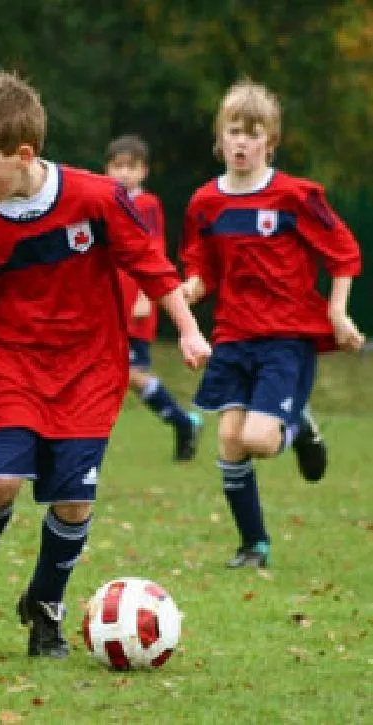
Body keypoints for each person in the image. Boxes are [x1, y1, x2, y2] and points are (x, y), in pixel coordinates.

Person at [0, 71, 210, 659]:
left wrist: (187, 328)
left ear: (22, 154)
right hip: (11, 366)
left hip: (90, 371)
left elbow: (152, 265)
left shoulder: (97, 199)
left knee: (73, 502)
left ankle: (45, 606)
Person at [180, 79, 364, 569]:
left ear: (270, 141)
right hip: (233, 335)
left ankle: (298, 426)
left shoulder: (295, 197)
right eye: (234, 131)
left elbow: (344, 254)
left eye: (253, 133)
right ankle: (254, 545)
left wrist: (337, 312)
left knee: (259, 440)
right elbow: (202, 266)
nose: (242, 142)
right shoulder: (205, 203)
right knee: (229, 441)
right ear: (220, 137)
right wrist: (190, 289)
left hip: (285, 337)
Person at [104, 134, 203, 461]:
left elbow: (154, 248)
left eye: (131, 167)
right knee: (114, 375)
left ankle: (183, 422)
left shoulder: (146, 205)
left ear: (144, 171)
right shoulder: (104, 201)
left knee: (132, 374)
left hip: (136, 304)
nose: (124, 173)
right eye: (118, 166)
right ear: (107, 169)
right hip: (109, 303)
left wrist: (147, 295)